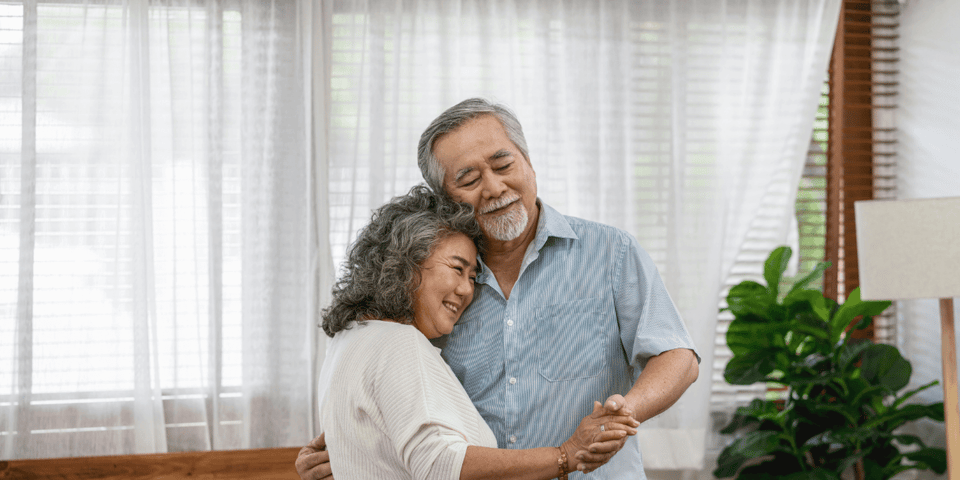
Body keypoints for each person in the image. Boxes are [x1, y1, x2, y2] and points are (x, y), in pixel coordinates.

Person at [298, 99, 700, 479]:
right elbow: (401, 389)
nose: (493, 187)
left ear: (529, 163)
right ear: (444, 200)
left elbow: (678, 356)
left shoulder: (611, 251)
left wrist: (622, 413)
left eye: (503, 164)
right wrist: (355, 442)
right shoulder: (435, 287)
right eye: (469, 179)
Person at [311, 185, 640, 480]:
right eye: (457, 268)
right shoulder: (398, 343)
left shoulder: (349, 340)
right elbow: (439, 464)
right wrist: (565, 455)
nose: (467, 290)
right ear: (404, 263)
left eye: (473, 277)